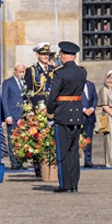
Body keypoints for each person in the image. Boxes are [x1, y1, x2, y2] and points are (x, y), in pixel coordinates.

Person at [45, 41, 87, 193]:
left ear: (63, 56)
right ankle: (74, 184)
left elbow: (53, 96)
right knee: (74, 151)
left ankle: (65, 185)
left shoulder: (59, 73)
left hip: (62, 114)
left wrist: (50, 110)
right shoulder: (82, 72)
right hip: (76, 113)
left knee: (63, 151)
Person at [1, 63, 27, 169]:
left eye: (23, 71)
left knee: (22, 140)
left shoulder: (25, 83)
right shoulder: (8, 82)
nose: (22, 73)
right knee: (13, 140)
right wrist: (7, 116)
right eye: (20, 71)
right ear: (15, 71)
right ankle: (15, 163)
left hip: (23, 116)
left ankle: (20, 161)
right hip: (13, 115)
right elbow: (4, 99)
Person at [25, 43, 53, 109]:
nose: (46, 56)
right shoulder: (32, 70)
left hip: (53, 107)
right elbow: (27, 92)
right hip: (39, 108)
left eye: (47, 54)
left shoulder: (53, 69)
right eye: (43, 54)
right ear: (37, 55)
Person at [81, 79, 98, 167]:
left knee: (88, 139)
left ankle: (88, 160)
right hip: (80, 116)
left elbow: (95, 98)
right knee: (78, 139)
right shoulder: (74, 85)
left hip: (90, 117)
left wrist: (92, 108)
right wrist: (84, 109)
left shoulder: (91, 85)